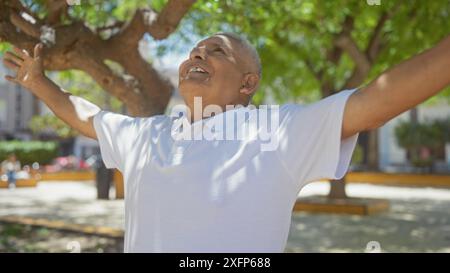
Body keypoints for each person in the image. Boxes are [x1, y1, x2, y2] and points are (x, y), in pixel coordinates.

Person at [2, 32, 450, 252]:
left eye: (216, 51)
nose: (198, 53)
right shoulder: (146, 133)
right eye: (195, 49)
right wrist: (40, 84)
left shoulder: (277, 132)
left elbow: (379, 98)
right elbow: (88, 115)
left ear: (247, 83)